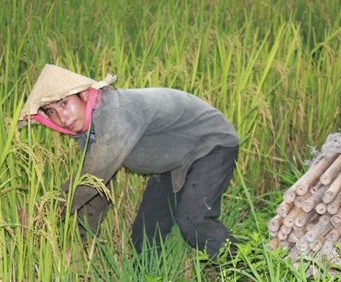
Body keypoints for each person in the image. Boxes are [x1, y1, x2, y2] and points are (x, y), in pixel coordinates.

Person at [18, 64, 239, 258]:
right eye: (51, 111)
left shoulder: (114, 113)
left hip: (210, 145)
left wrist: (41, 211)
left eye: (64, 103)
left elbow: (92, 178)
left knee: (193, 222)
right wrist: (82, 244)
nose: (62, 117)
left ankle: (248, 269)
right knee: (145, 234)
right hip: (174, 161)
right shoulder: (90, 131)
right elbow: (97, 188)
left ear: (84, 95)